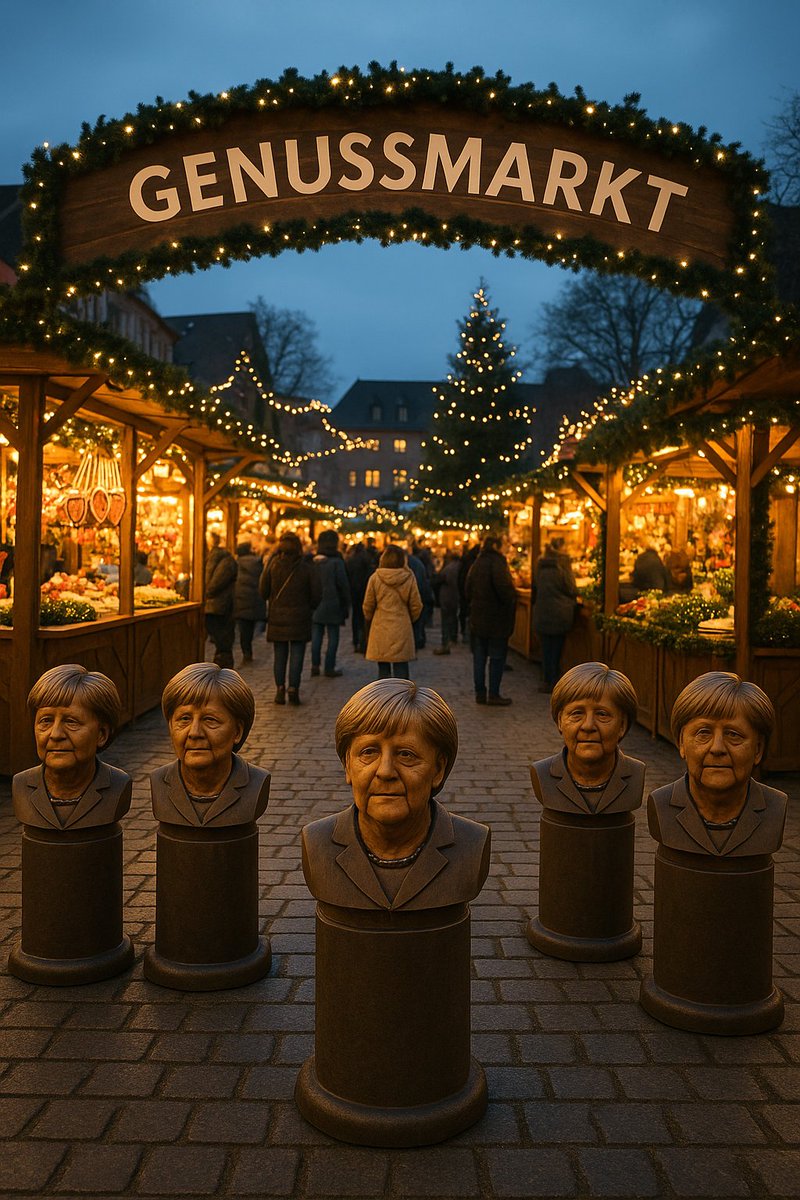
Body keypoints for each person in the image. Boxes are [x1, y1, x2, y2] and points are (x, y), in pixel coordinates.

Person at [301, 678, 491, 908]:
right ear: (347, 766)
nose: (385, 771)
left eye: (406, 755)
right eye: (369, 752)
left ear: (438, 769)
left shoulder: (471, 843)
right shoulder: (316, 842)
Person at [648, 672, 787, 857]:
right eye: (703, 733)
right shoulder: (661, 804)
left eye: (733, 735)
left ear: (758, 749)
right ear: (681, 743)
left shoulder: (775, 807)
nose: (717, 748)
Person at [151, 662, 270, 827]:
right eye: (184, 719)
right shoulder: (158, 781)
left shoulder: (256, 783)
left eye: (210, 720)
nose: (194, 732)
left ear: (237, 732)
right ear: (171, 725)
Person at [13, 664, 131, 830]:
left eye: (71, 722)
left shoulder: (118, 784)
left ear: (101, 734)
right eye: (46, 721)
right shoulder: (21, 784)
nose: (55, 734)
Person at [531, 662, 645, 815]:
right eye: (577, 713)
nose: (588, 725)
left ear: (622, 725)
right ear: (559, 721)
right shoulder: (542, 773)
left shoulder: (636, 774)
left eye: (602, 714)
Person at [259, 530, 321, 705]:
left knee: (280, 655)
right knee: (297, 655)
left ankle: (280, 689)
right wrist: (309, 607)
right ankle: (293, 688)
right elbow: (317, 593)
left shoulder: (273, 565)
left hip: (277, 617)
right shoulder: (306, 568)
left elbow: (263, 590)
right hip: (300, 617)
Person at [465, 535, 517, 706]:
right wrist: (511, 597)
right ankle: (493, 694)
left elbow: (467, 589)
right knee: (496, 657)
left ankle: (480, 693)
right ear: (496, 545)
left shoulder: (478, 562)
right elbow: (504, 589)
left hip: (478, 619)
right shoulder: (498, 563)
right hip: (496, 619)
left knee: (479, 657)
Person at [362, 543, 422, 680]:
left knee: (383, 672)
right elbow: (416, 605)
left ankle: (385, 700)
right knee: (402, 670)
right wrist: (408, 618)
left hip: (380, 627)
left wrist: (371, 619)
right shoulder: (409, 577)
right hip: (402, 626)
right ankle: (402, 699)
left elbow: (367, 605)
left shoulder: (375, 578)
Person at [533, 537, 578, 694]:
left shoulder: (541, 565)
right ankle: (555, 683)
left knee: (546, 649)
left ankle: (546, 680)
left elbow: (536, 586)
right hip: (560, 613)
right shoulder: (563, 565)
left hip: (543, 611)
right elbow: (571, 588)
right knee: (557, 649)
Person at [311, 529, 350, 678]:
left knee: (317, 635)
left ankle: (315, 665)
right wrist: (346, 603)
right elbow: (343, 584)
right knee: (333, 637)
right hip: (333, 604)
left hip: (316, 603)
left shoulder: (314, 561)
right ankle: (329, 666)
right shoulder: (337, 562)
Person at [204, 532, 237, 669]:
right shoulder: (222, 559)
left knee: (221, 637)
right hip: (217, 604)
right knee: (221, 638)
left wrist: (206, 592)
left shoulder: (224, 560)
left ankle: (223, 666)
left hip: (219, 605)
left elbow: (215, 583)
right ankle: (222, 665)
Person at [233, 540, 266, 665]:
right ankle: (249, 648)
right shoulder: (258, 563)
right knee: (251, 627)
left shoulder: (237, 564)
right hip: (255, 599)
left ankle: (246, 652)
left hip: (241, 600)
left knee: (243, 629)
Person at [345, 539, 375, 652]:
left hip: (354, 592)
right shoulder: (367, 561)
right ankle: (364, 641)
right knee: (364, 617)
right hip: (364, 591)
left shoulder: (350, 561)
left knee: (356, 617)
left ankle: (356, 640)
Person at [433, 550, 461, 655]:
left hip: (448, 597)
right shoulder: (456, 567)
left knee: (447, 620)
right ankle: (452, 638)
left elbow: (444, 579)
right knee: (453, 618)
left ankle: (446, 641)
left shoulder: (449, 568)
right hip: (452, 597)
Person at [407, 544, 434, 650]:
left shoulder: (412, 564)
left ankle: (416, 640)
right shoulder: (419, 565)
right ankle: (418, 640)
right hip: (419, 595)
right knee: (418, 621)